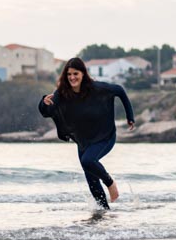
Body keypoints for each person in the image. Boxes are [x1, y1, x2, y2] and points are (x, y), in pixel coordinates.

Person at [39, 57, 135, 209]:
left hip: (105, 137)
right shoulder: (62, 93)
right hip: (83, 141)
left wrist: (130, 117)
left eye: (75, 74)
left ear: (83, 74)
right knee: (91, 179)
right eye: (69, 74)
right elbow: (47, 112)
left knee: (88, 161)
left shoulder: (97, 88)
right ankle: (103, 212)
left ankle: (110, 184)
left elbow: (119, 90)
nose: (72, 77)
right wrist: (43, 103)